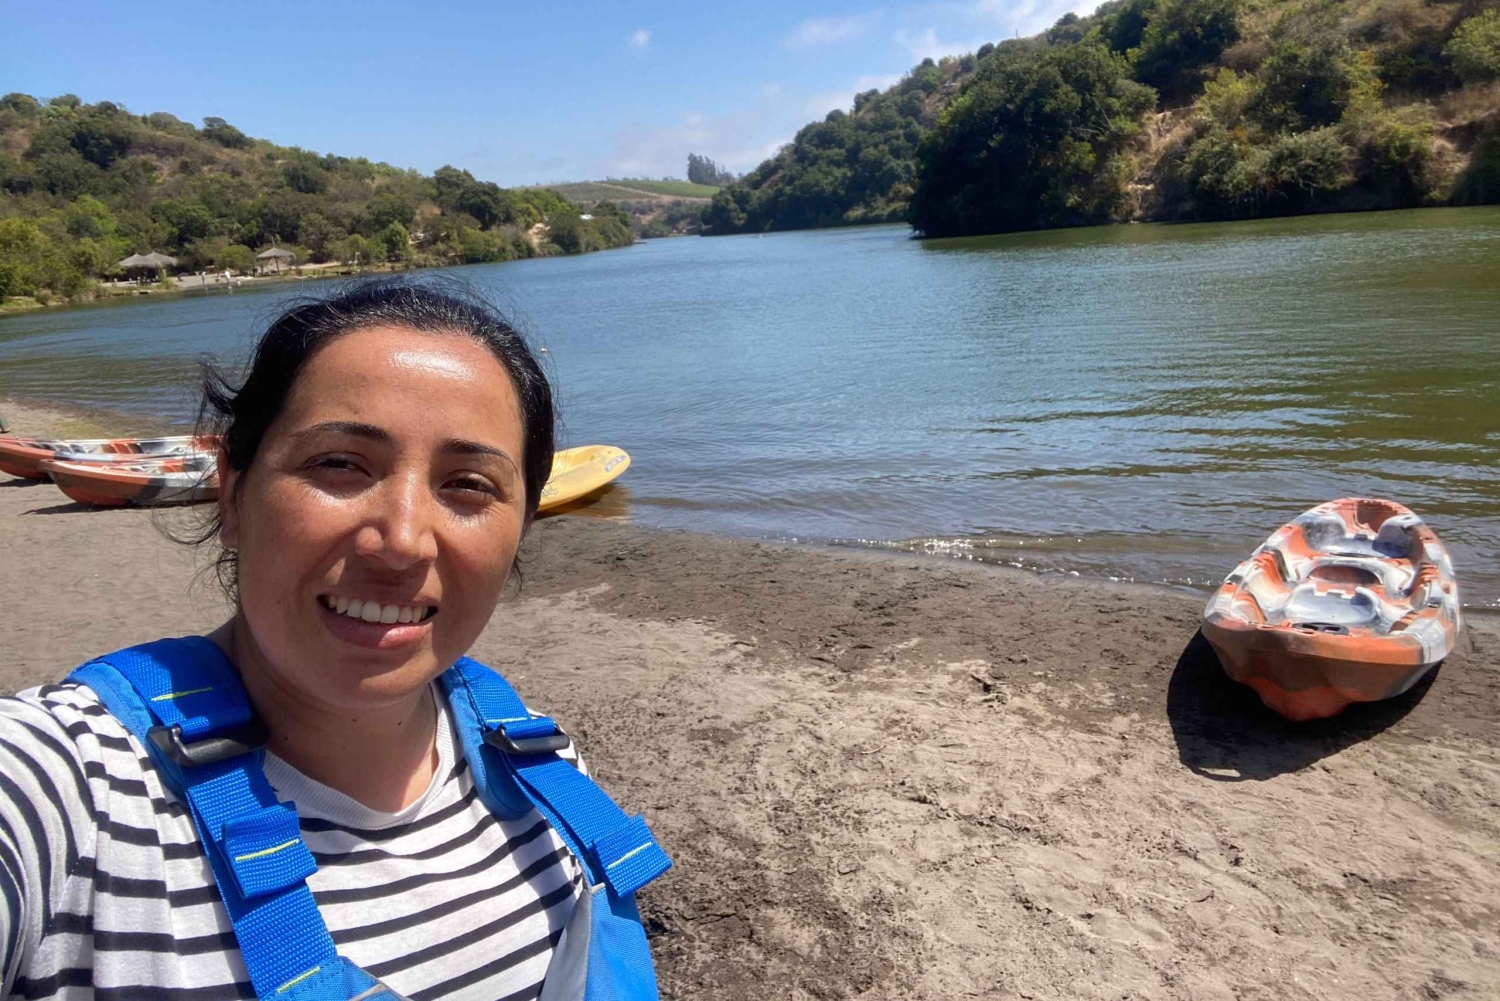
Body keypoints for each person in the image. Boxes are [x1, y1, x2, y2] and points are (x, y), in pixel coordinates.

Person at [0, 278, 668, 1000]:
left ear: (521, 529)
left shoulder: (549, 777)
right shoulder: (70, 790)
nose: (403, 540)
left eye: (469, 484)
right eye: (340, 464)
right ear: (231, 492)